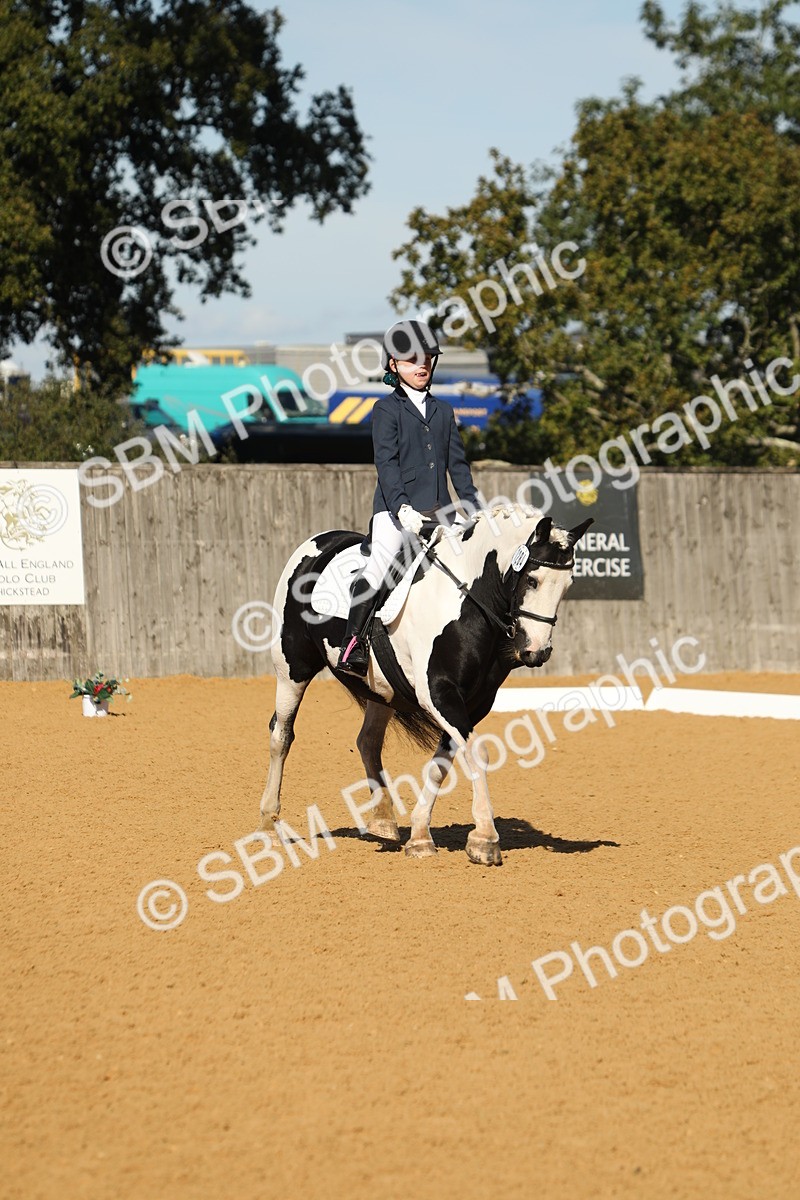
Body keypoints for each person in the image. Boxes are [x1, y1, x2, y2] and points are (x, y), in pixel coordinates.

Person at [336, 319, 479, 676]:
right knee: (381, 563)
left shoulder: (444, 411)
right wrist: (402, 507)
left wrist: (475, 510)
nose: (423, 364)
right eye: (413, 359)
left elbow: (459, 469)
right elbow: (387, 465)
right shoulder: (386, 410)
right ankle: (352, 644)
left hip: (442, 510)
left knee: (477, 565)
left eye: (428, 357)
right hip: (396, 509)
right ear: (394, 365)